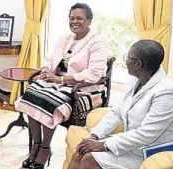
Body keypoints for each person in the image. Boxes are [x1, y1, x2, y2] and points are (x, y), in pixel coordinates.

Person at [15, 3, 108, 169]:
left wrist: (61, 80)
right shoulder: (65, 39)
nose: (74, 21)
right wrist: (45, 70)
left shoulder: (97, 41)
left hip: (78, 86)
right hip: (56, 81)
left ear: (89, 21)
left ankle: (44, 149)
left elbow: (94, 74)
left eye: (79, 18)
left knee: (48, 101)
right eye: (72, 18)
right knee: (30, 94)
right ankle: (36, 145)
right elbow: (50, 59)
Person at [67, 39, 173, 169]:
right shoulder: (134, 81)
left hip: (150, 152)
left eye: (127, 57)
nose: (125, 60)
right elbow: (117, 113)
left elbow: (146, 134)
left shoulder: (166, 91)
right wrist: (95, 135)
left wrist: (103, 144)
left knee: (89, 159)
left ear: (138, 64)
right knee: (80, 152)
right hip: (131, 145)